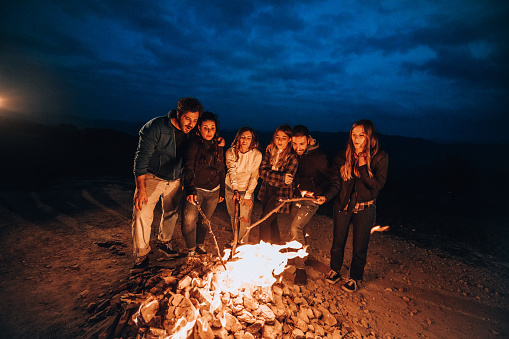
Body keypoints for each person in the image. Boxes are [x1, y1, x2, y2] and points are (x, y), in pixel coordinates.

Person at [316, 119, 388, 292]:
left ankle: (355, 277)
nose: (356, 139)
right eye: (354, 135)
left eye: (361, 135)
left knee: (360, 245)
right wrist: (325, 197)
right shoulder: (343, 156)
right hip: (343, 205)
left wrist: (363, 167)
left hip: (365, 208)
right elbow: (335, 183)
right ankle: (335, 270)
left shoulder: (380, 157)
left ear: (369, 137)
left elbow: (377, 185)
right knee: (338, 241)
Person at [131, 97, 203, 269]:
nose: (191, 124)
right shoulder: (156, 127)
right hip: (152, 176)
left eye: (195, 120)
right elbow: (141, 159)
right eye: (187, 118)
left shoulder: (192, 132)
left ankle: (164, 242)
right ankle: (141, 255)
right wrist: (141, 188)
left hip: (176, 178)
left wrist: (218, 142)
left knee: (170, 212)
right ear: (178, 114)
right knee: (142, 213)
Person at [289, 125, 330, 285]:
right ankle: (299, 258)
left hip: (311, 199)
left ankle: (300, 271)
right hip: (297, 198)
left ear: (308, 140)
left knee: (295, 228)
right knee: (300, 230)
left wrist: (318, 192)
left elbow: (329, 179)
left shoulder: (319, 157)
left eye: (301, 144)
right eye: (295, 144)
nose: (298, 148)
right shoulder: (295, 154)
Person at [181, 112, 225, 256]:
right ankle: (191, 250)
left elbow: (221, 169)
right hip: (196, 189)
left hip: (214, 190)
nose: (209, 131)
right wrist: (189, 189)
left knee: (205, 221)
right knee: (189, 220)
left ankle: (200, 244)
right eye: (205, 127)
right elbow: (188, 167)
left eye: (212, 128)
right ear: (199, 127)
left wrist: (222, 191)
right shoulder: (193, 144)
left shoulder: (217, 144)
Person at [257, 124, 298, 244]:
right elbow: (261, 172)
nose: (279, 141)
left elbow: (287, 182)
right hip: (267, 190)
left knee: (264, 221)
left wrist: (270, 175)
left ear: (289, 139)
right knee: (272, 222)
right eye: (277, 137)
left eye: (284, 138)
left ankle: (263, 250)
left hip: (280, 194)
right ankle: (276, 246)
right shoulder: (270, 151)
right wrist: (281, 177)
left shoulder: (292, 158)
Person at [225, 127, 262, 245]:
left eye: (248, 138)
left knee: (245, 218)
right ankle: (236, 239)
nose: (245, 140)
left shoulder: (256, 155)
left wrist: (248, 195)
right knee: (233, 216)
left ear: (252, 140)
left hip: (246, 190)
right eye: (243, 137)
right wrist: (235, 189)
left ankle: (243, 244)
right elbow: (232, 171)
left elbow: (255, 175)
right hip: (231, 188)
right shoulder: (230, 152)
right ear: (238, 138)